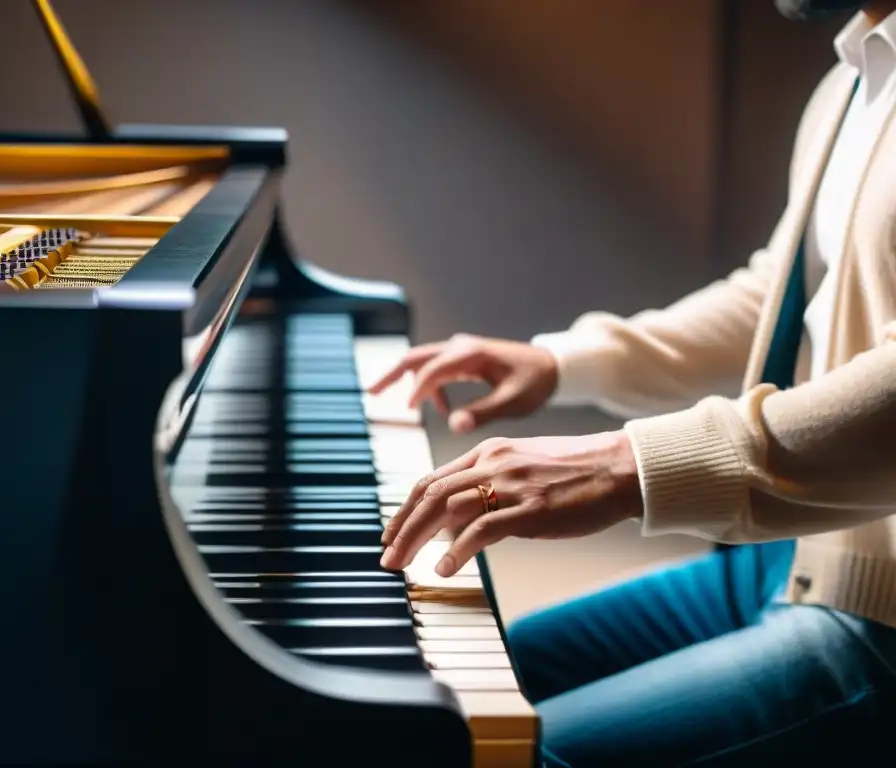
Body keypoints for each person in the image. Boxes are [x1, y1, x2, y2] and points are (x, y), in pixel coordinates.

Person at [371, 0, 896, 764]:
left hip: (879, 610)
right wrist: (564, 363)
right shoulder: (855, 75)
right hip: (790, 559)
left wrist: (627, 467)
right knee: (461, 701)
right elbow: (779, 292)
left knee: (519, 756)